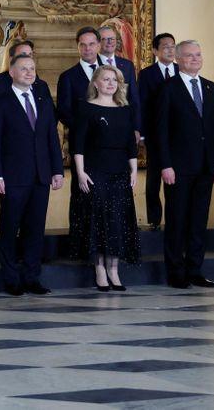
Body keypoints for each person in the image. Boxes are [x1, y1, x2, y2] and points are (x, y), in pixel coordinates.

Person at [0, 53, 63, 296]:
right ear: (12, 72)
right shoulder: (1, 99)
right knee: (10, 229)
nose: (30, 73)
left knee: (35, 229)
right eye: (24, 69)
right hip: (12, 177)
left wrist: (57, 170)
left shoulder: (42, 98)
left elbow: (52, 136)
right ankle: (11, 279)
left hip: (41, 176)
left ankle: (32, 277)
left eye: (32, 68)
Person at [155, 40, 214, 289]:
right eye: (189, 55)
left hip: (206, 166)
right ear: (178, 58)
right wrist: (165, 165)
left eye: (198, 54)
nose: (195, 59)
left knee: (198, 220)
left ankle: (195, 269)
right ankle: (176, 273)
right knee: (177, 220)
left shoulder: (210, 87)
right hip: (178, 168)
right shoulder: (168, 88)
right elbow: (160, 131)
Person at [70, 65, 140, 291]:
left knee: (118, 221)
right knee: (99, 220)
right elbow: (78, 144)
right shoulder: (86, 108)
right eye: (106, 79)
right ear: (96, 83)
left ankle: (114, 270)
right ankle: (100, 269)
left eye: (115, 80)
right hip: (95, 170)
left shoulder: (125, 109)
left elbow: (131, 144)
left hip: (120, 171)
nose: (111, 84)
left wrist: (134, 170)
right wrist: (80, 172)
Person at [57, 27, 105, 251]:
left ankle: (105, 246)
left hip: (109, 146)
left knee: (106, 197)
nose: (87, 48)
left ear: (99, 45)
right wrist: (88, 127)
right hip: (82, 146)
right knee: (81, 194)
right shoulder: (67, 76)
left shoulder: (110, 72)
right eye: (83, 45)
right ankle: (79, 245)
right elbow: (64, 111)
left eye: (91, 44)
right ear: (78, 46)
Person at [138, 32, 177, 231]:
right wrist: (142, 134)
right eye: (165, 46)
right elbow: (142, 106)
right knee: (154, 179)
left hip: (178, 137)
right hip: (154, 135)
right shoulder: (146, 74)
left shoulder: (181, 70)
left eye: (173, 46)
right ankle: (154, 219)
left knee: (175, 180)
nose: (170, 50)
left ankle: (174, 219)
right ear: (155, 50)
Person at [97, 25, 141, 132]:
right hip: (100, 125)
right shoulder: (92, 65)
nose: (109, 42)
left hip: (124, 125)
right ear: (98, 42)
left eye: (112, 38)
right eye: (105, 39)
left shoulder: (127, 65)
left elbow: (134, 98)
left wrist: (136, 128)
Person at [0, 40, 51, 106]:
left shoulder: (41, 85)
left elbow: (50, 113)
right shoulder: (0, 84)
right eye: (23, 55)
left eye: (30, 54)